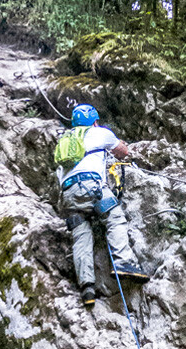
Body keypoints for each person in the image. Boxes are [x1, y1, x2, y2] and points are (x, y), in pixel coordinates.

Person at [54, 104, 150, 306]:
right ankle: (123, 262)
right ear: (95, 121)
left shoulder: (66, 142)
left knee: (81, 234)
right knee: (114, 218)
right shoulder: (100, 132)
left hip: (68, 193)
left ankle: (87, 288)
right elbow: (122, 152)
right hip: (91, 186)